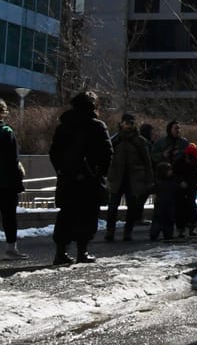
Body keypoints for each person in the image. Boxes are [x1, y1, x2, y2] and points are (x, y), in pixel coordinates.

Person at [48, 91, 113, 265]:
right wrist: (100, 173)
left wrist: (62, 170)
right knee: (87, 215)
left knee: (66, 214)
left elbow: (54, 152)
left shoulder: (64, 125)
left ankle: (60, 253)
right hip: (89, 179)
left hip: (67, 178)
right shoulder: (97, 126)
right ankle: (82, 252)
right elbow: (107, 153)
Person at [105, 113, 154, 242]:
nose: (128, 125)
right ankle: (110, 231)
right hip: (117, 178)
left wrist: (149, 180)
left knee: (132, 208)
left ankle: (128, 232)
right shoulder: (116, 139)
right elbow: (107, 156)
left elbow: (147, 162)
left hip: (134, 179)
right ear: (121, 124)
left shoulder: (140, 141)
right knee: (112, 207)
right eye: (126, 122)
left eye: (131, 123)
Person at [0, 100, 27, 259]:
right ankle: (11, 248)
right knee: (9, 216)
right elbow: (13, 159)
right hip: (6, 182)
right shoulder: (6, 131)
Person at [172, 143, 197, 238]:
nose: (189, 161)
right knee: (180, 206)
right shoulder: (179, 159)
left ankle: (192, 226)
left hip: (192, 183)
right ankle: (181, 228)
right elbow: (174, 172)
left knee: (191, 204)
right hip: (181, 183)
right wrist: (180, 181)